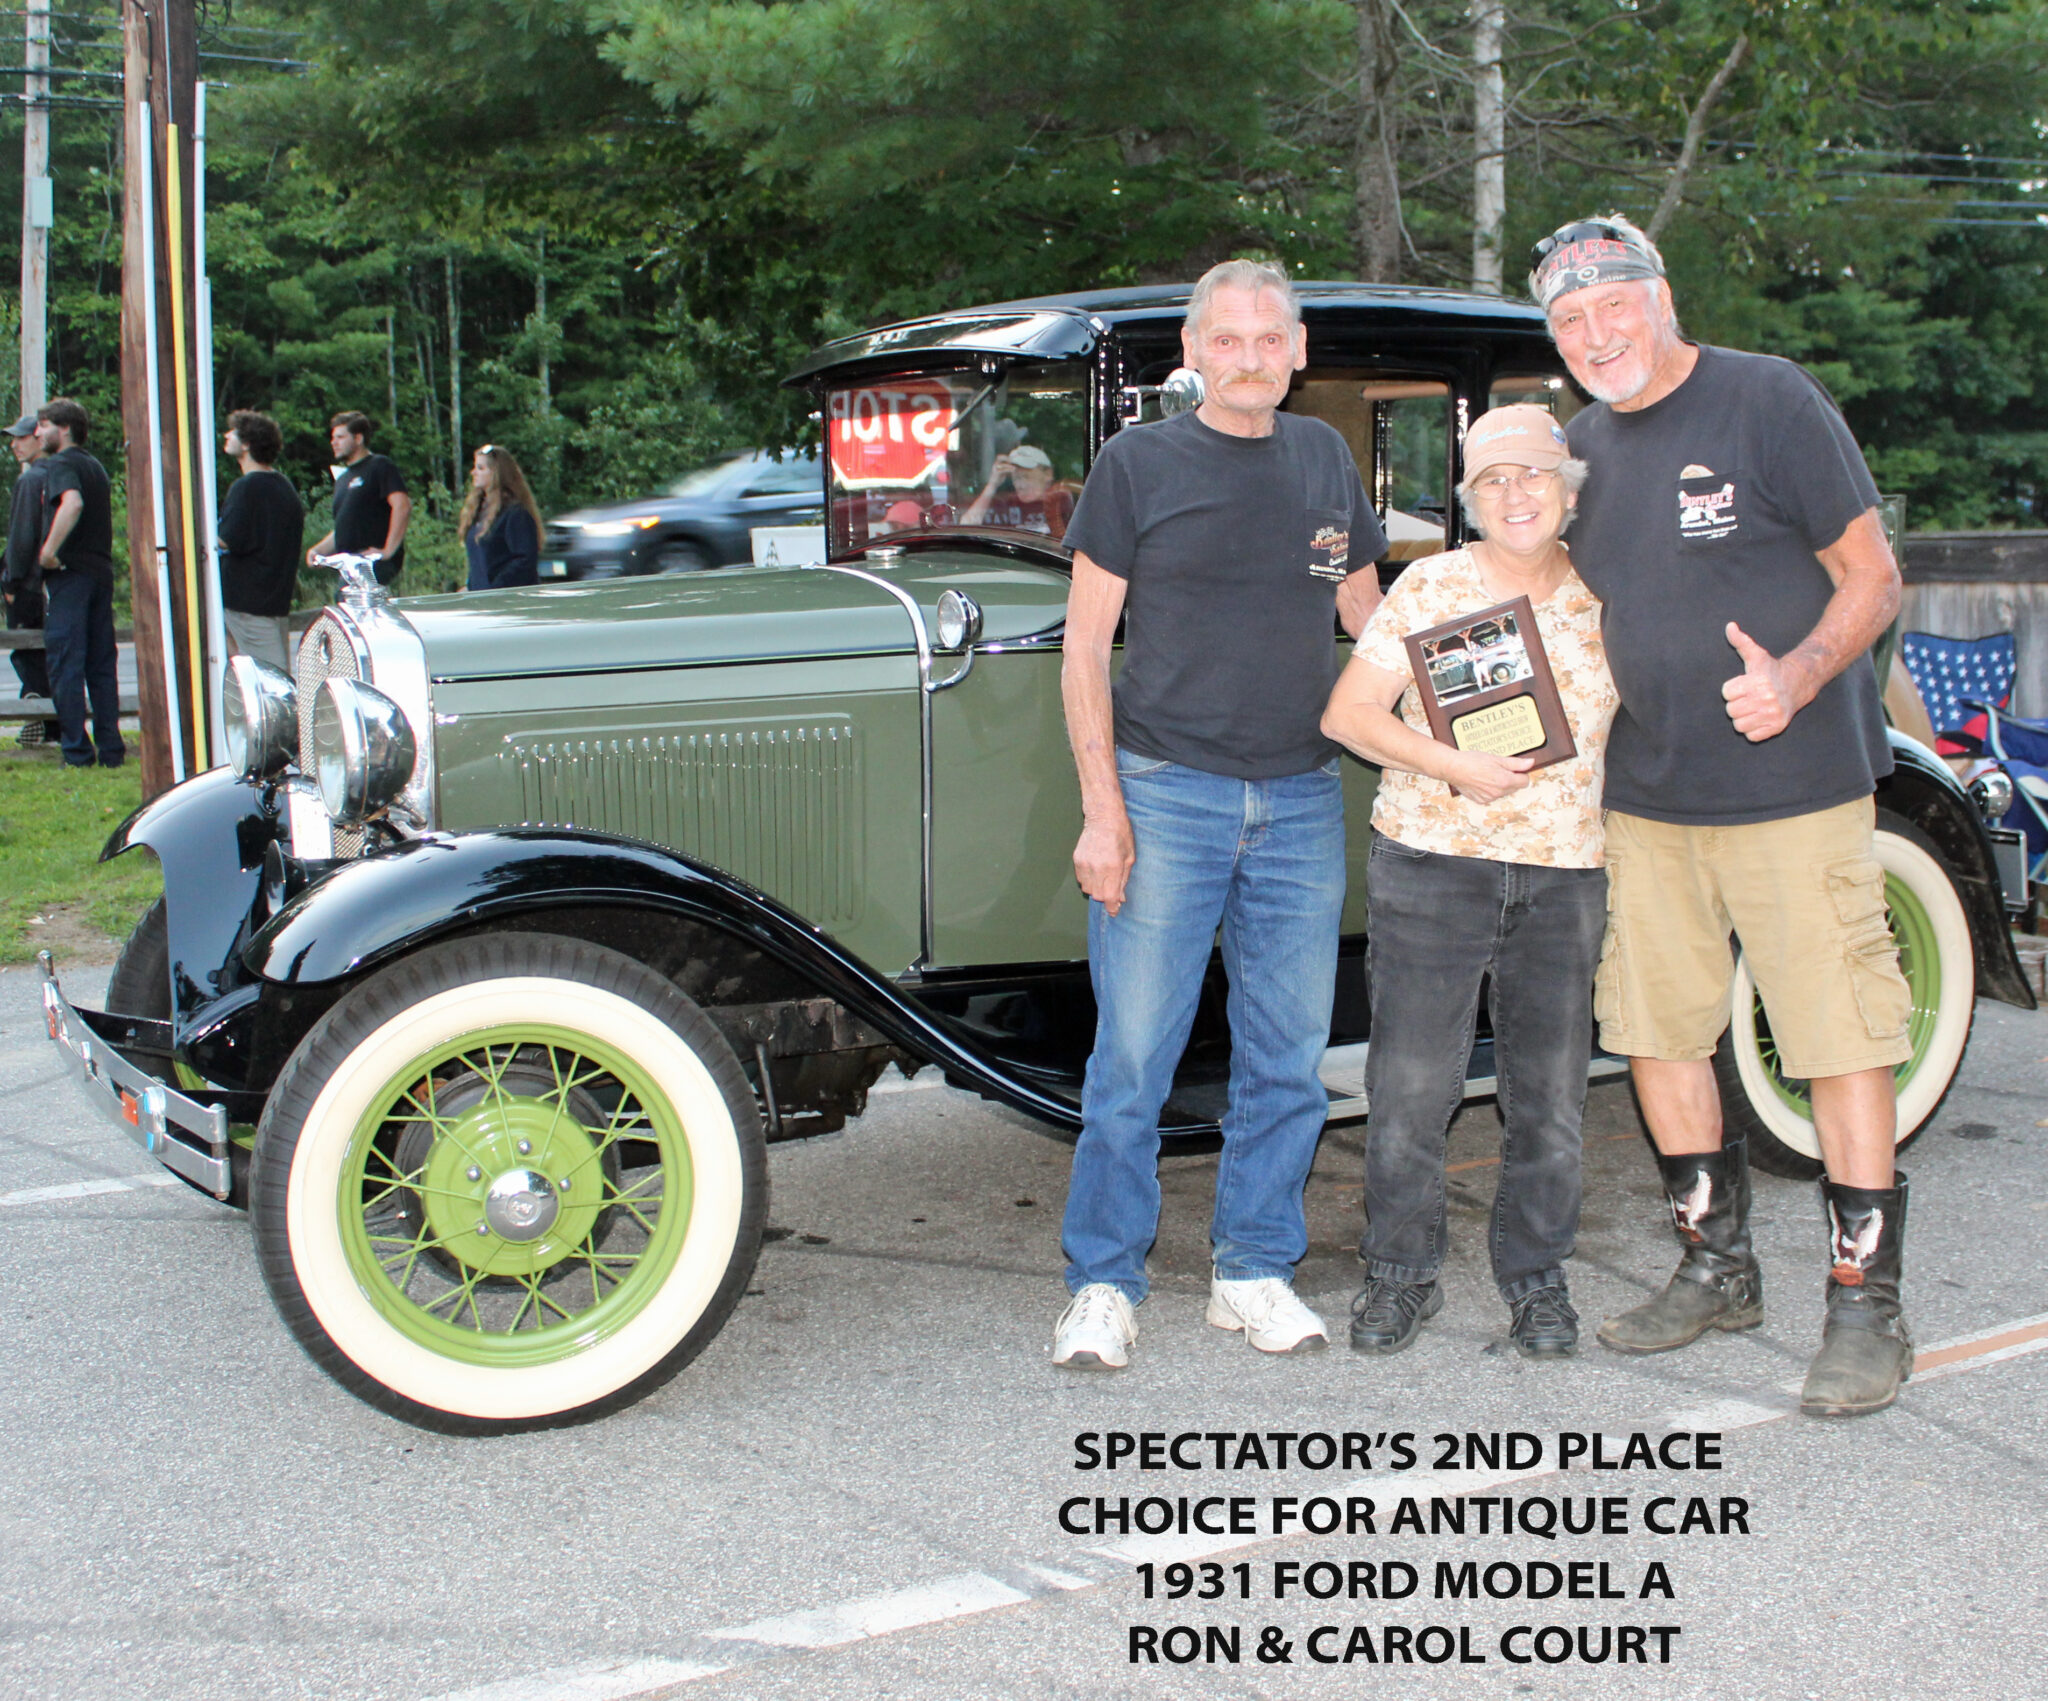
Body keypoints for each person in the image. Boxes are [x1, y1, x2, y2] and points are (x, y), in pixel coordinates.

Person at [1532, 214, 1914, 1417]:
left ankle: (1863, 1309)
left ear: (1659, 297)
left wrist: (1795, 677)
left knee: (1835, 1038)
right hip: (1644, 802)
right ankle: (1714, 1267)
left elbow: (1872, 576)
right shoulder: (1578, 449)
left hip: (1793, 791)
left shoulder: (1767, 400)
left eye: (1612, 306)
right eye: (1570, 320)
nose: (1597, 334)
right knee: (1656, 1035)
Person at [1052, 258, 1387, 1370]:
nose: (1248, 357)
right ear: (1192, 353)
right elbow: (1083, 646)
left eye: (1268, 338)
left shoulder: (1324, 461)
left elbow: (1370, 620)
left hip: (1298, 799)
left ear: (1298, 352)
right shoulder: (1136, 464)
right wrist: (1103, 812)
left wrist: (1478, 721)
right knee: (1133, 1061)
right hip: (1165, 794)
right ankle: (1102, 1283)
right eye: (1226, 340)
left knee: (1287, 1059)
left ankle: (1251, 1269)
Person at [1322, 405, 1617, 1359]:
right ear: (1470, 501)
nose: (1516, 494)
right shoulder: (1430, 587)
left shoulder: (1613, 595)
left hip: (1565, 873)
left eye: (1533, 475)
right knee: (1410, 1089)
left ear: (1570, 490)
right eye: (1493, 481)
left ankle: (1536, 1278)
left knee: (1550, 1097)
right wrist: (1454, 764)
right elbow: (1349, 714)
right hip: (1430, 862)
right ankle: (1400, 1275)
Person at [35, 398, 124, 768]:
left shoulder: (60, 464)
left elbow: (71, 504)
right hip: (101, 573)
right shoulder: (96, 467)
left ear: (65, 429)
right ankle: (112, 750)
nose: (38, 432)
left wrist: (47, 553)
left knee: (65, 664)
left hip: (70, 576)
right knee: (101, 665)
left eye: (44, 425)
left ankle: (76, 751)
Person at [216, 410, 306, 674]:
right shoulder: (284, 486)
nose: (226, 435)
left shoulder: (247, 488)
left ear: (247, 444)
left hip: (246, 604)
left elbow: (225, 540)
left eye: (232, 432)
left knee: (270, 683)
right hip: (274, 601)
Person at [307, 412, 410, 585]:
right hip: (348, 567)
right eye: (333, 438)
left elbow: (402, 506)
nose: (334, 442)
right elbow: (344, 525)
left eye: (340, 437)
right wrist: (319, 550)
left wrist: (387, 551)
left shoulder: (379, 465)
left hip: (371, 565)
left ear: (358, 438)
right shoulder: (343, 478)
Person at [3, 414, 57, 744]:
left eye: (21, 437)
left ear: (39, 438)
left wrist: (10, 583)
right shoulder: (63, 474)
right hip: (57, 582)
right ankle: (49, 721)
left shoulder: (31, 480)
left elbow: (21, 537)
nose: (13, 444)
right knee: (51, 653)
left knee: (26, 652)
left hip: (28, 583)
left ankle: (41, 714)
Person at [460, 445, 543, 590]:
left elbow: (524, 560)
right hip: (481, 601)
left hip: (508, 600)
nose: (473, 473)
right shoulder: (477, 512)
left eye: (480, 468)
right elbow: (479, 562)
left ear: (496, 472)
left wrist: (496, 588)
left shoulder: (515, 514)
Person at [960, 444, 1074, 538]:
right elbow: (966, 528)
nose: (1021, 485)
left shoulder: (1059, 500)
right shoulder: (1006, 504)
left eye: (1026, 476)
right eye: (1016, 477)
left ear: (1048, 474)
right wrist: (992, 485)